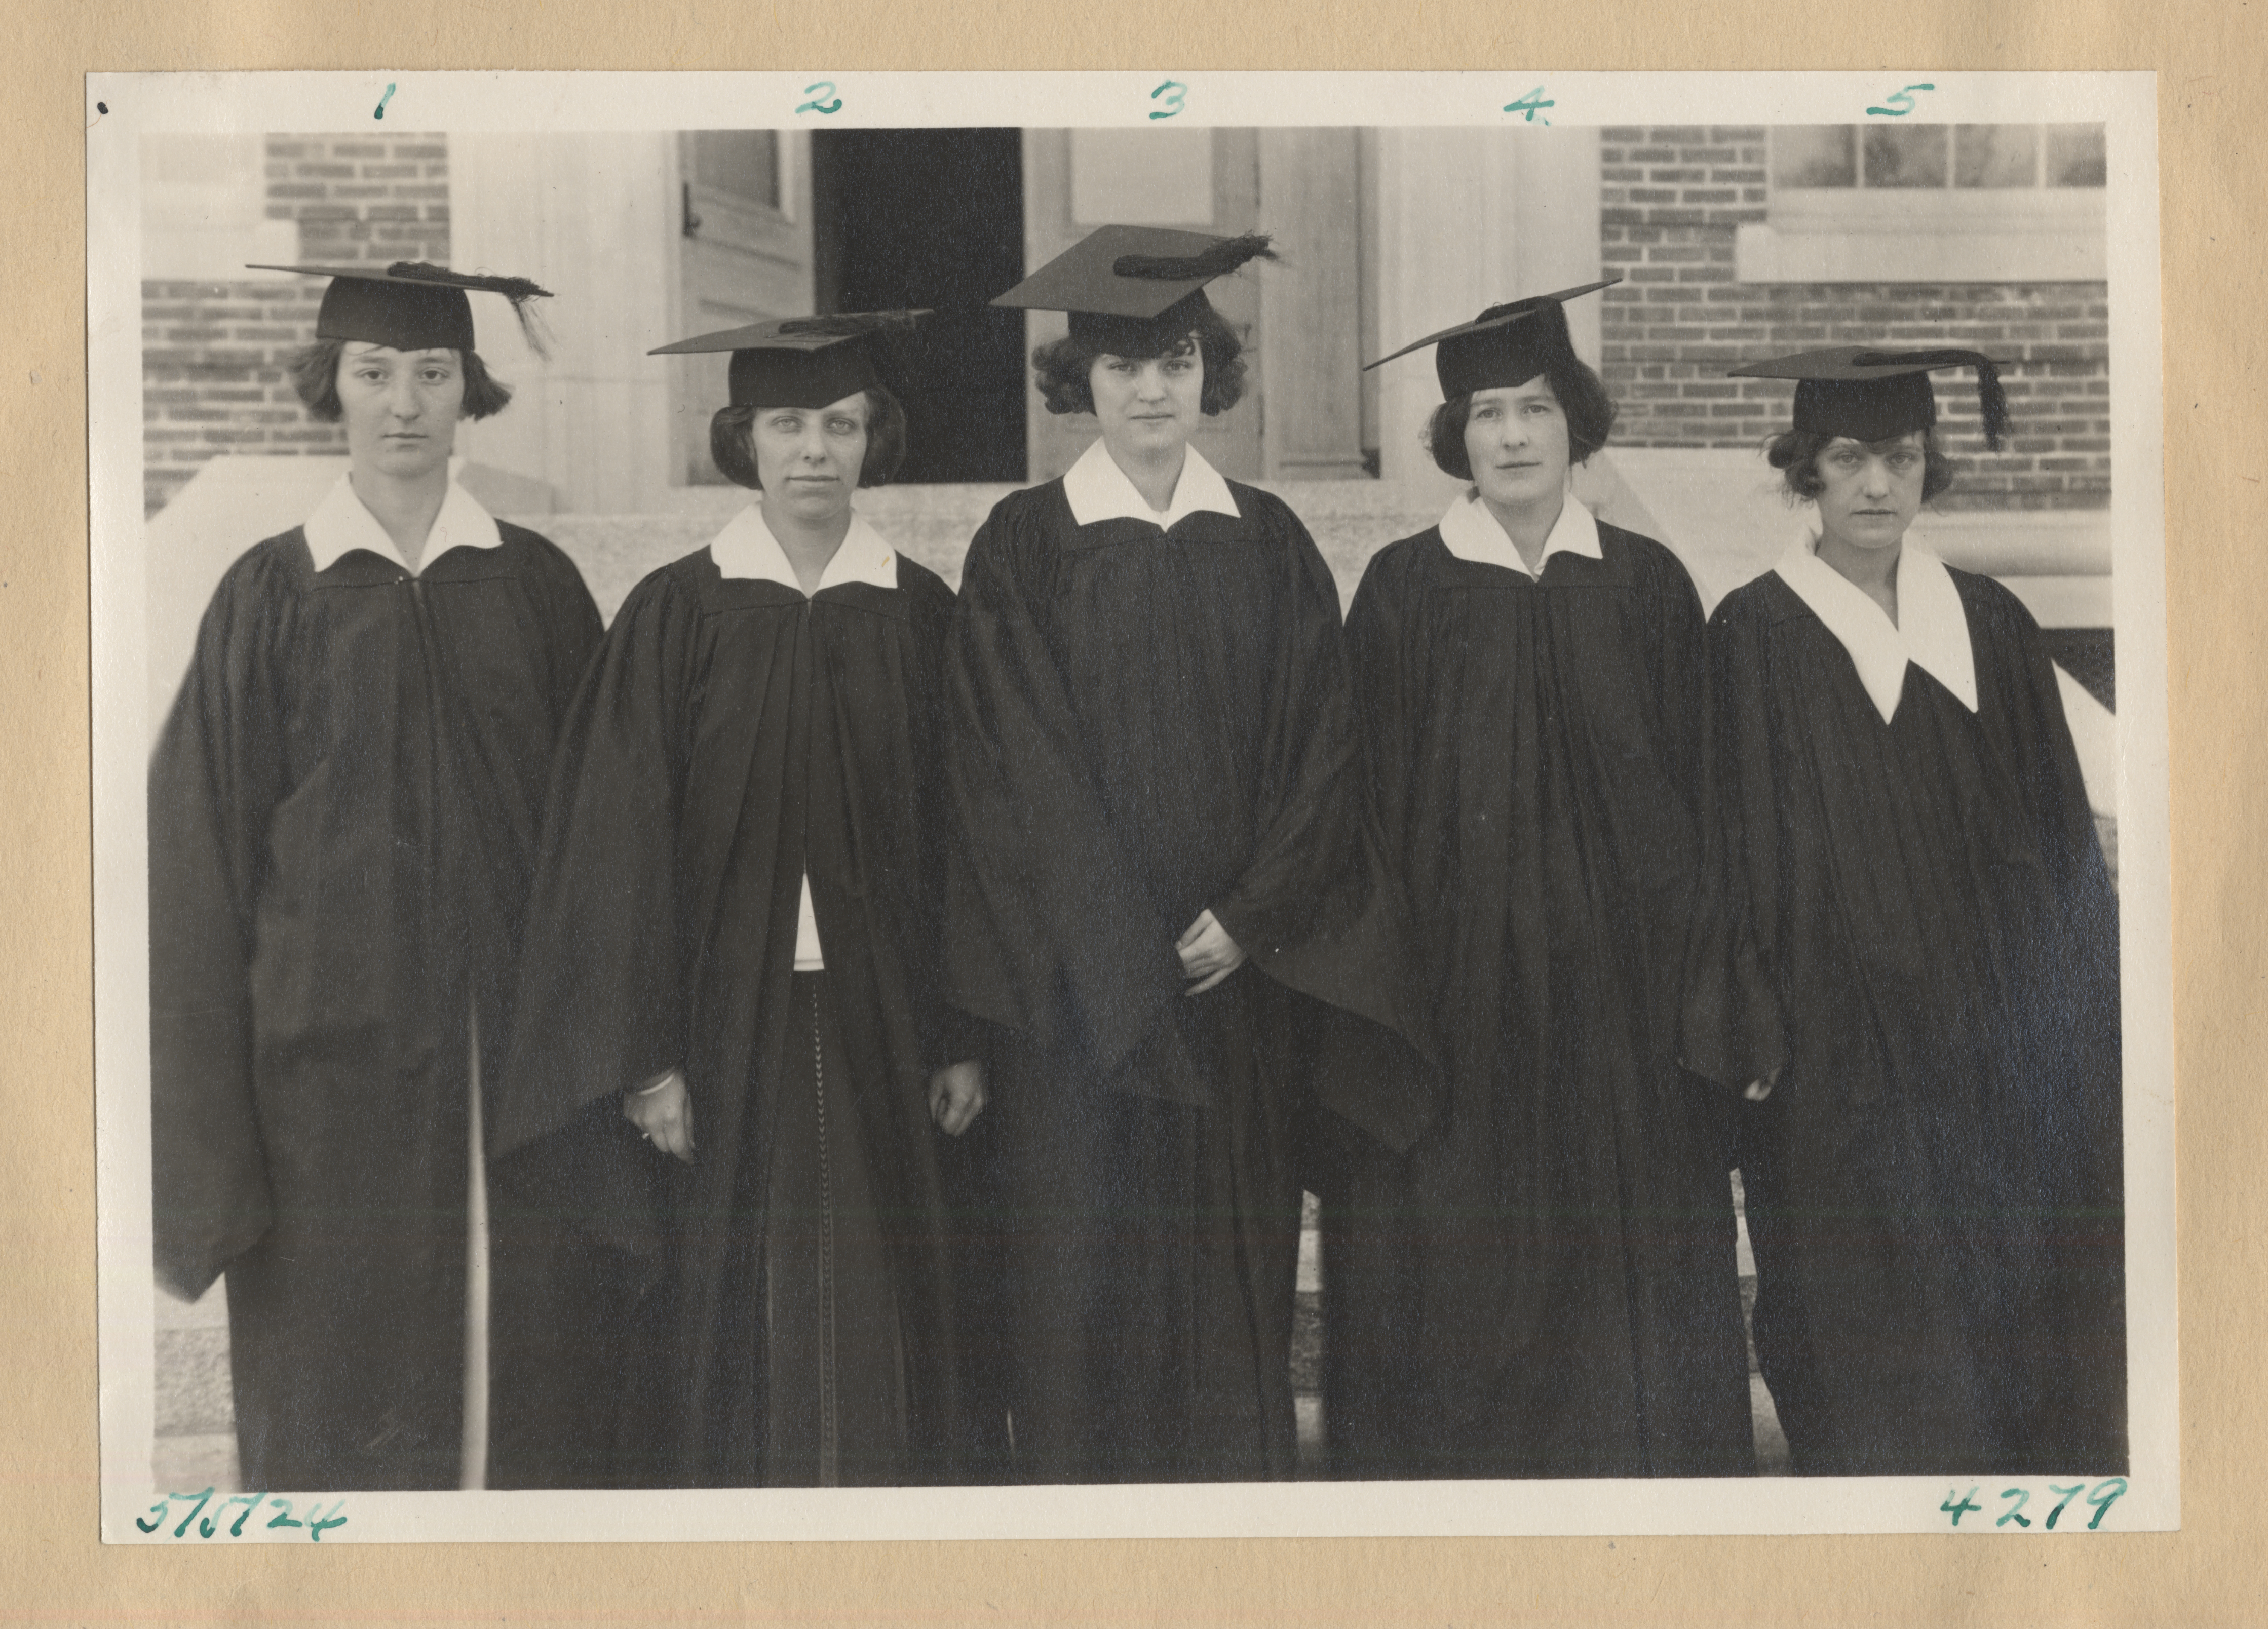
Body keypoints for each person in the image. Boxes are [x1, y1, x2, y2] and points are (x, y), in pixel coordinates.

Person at [943, 226, 1433, 1484]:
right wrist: (1119, 950)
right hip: (1077, 999)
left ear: (1208, 373)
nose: (1150, 390)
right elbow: (1014, 769)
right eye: (1120, 366)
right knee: (1078, 1274)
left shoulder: (1266, 538)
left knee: (1233, 1273)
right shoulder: (1025, 541)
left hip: (1235, 991)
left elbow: (1326, 751)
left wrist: (1249, 919)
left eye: (1172, 361)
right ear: (1080, 385)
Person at [487, 314, 984, 1489]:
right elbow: (612, 847)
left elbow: (969, 838)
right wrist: (644, 1059)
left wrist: (964, 1033)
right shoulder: (677, 612)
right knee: (732, 1282)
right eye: (788, 424)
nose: (816, 449)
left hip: (885, 1021)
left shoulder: (920, 613)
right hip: (717, 1026)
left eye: (842, 425)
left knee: (877, 1284)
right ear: (744, 439)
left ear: (875, 443)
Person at [149, 261, 601, 1491]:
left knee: (531, 1401)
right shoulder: (270, 595)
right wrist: (207, 1140)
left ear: (470, 394)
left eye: (433, 373)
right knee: (338, 1411)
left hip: (517, 1063)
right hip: (324, 1081)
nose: (404, 401)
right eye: (375, 372)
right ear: (330, 387)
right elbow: (194, 871)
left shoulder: (538, 586)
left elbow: (606, 838)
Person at [1318, 283, 1756, 1480]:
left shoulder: (1648, 586)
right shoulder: (1405, 590)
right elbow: (1360, 811)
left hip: (1624, 1005)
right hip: (1457, 1006)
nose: (1511, 435)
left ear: (1578, 424)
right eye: (1485, 412)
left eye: (1536, 408)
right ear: (1453, 436)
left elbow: (1706, 805)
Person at [1690, 346, 2126, 1476]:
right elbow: (1724, 855)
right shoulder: (1752, 634)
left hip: (1994, 1045)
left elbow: (2062, 847)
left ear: (1928, 469)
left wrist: (2077, 1013)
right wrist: (1751, 1025)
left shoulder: (1990, 624)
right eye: (1848, 461)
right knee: (1857, 1299)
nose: (1877, 485)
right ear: (1807, 475)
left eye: (1901, 459)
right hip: (1836, 1051)